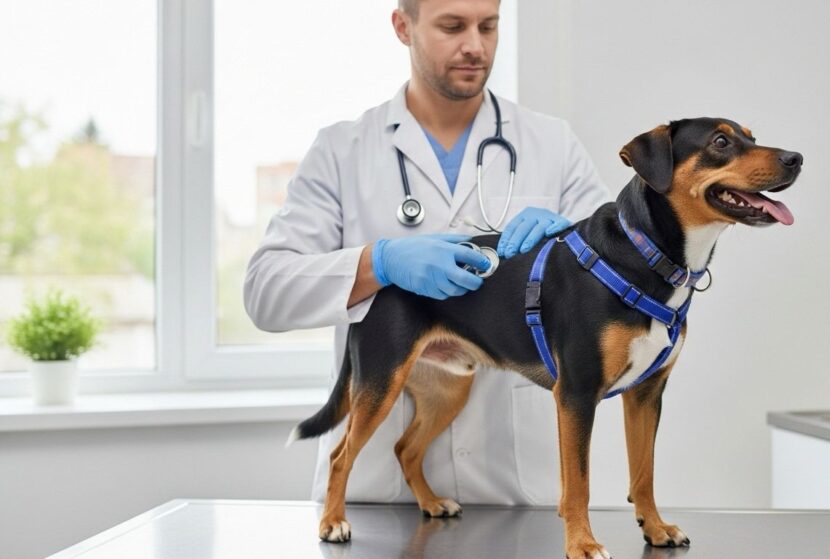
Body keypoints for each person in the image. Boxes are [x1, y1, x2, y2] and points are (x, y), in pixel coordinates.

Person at [243, 0, 610, 507]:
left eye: (489, 26)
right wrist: (380, 261)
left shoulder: (552, 143)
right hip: (378, 498)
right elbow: (266, 291)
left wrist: (572, 235)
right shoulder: (342, 150)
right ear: (403, 26)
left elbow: (614, 274)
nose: (475, 46)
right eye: (452, 26)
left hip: (517, 493)